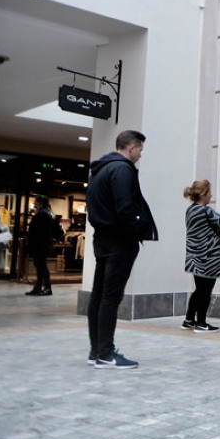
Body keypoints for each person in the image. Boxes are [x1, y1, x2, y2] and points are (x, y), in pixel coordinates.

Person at [86, 130, 158, 369]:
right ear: (131, 148)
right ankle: (106, 354)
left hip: (102, 239)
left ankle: (96, 350)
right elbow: (125, 206)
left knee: (99, 295)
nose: (140, 156)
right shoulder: (122, 169)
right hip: (119, 241)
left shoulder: (100, 169)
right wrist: (134, 230)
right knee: (110, 297)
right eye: (140, 150)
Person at [182, 179, 220, 333]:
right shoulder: (206, 211)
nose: (211, 195)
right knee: (205, 290)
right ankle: (201, 322)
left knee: (199, 289)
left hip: (194, 256)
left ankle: (188, 319)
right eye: (209, 192)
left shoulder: (190, 210)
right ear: (203, 195)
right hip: (209, 257)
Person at [25, 195, 63, 296]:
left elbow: (37, 230)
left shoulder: (43, 214)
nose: (33, 203)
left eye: (35, 201)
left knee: (41, 266)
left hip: (40, 244)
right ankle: (39, 287)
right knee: (40, 266)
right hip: (43, 244)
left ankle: (47, 287)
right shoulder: (48, 213)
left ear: (40, 202)